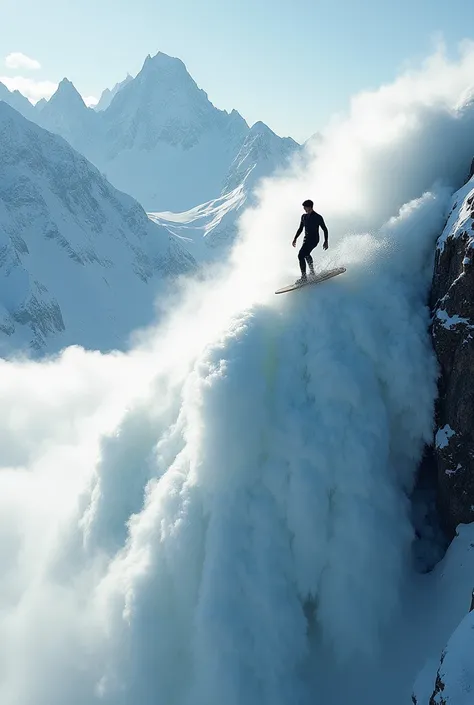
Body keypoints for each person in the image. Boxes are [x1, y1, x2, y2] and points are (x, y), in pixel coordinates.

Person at [292, 199, 328, 283]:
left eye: (305, 207)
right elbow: (301, 228)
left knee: (301, 255)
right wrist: (295, 238)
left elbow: (325, 229)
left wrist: (326, 241)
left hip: (314, 239)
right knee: (306, 254)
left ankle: (304, 277)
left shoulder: (317, 217)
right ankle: (312, 272)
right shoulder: (303, 217)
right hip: (306, 239)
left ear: (310, 207)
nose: (304, 209)